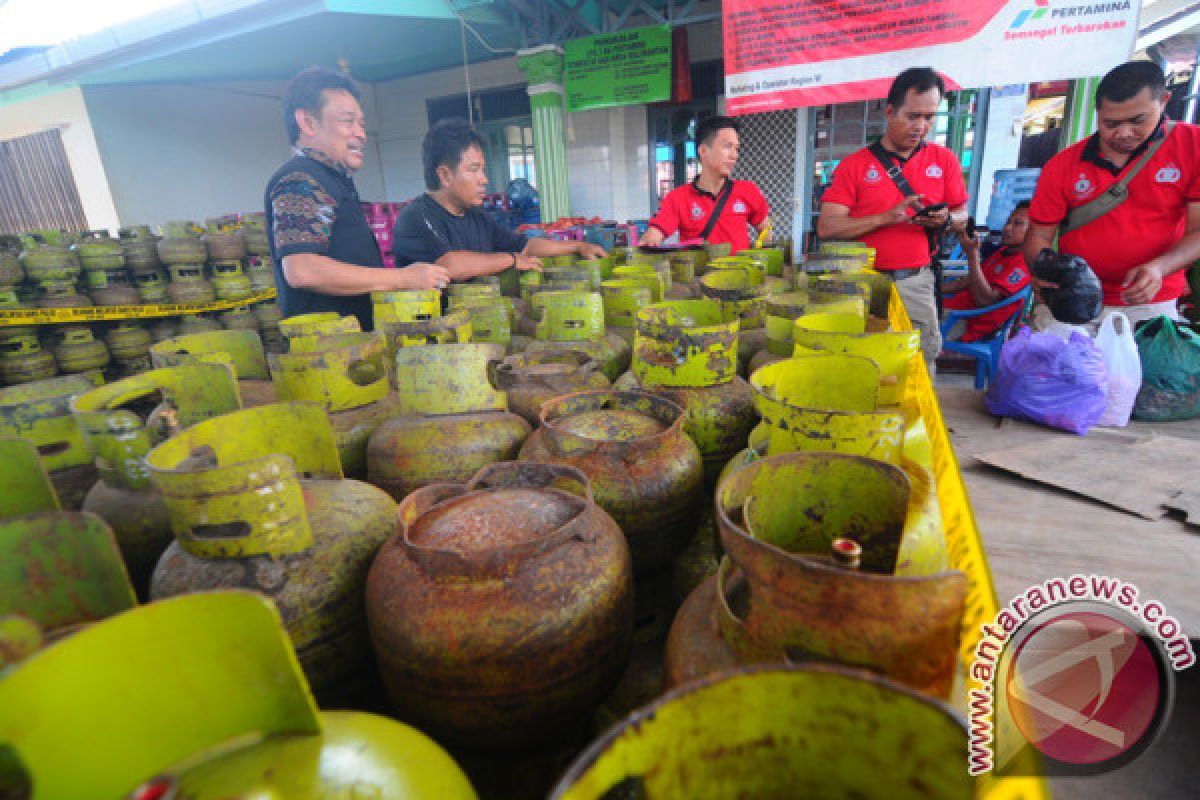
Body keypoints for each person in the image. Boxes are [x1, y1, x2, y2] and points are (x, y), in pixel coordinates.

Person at [264, 67, 447, 330]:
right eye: (347, 121)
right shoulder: (300, 179)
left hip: (351, 347)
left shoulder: (332, 179)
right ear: (307, 122)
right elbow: (302, 269)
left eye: (361, 124)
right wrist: (402, 278)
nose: (361, 134)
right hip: (327, 353)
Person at [1025, 61, 1200, 330]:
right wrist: (1043, 273)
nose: (1123, 132)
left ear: (1164, 101)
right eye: (1111, 123)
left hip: (1150, 303)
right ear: (1097, 113)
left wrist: (1160, 268)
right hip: (1071, 303)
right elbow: (1039, 236)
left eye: (1137, 120)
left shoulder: (1191, 147)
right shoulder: (1063, 165)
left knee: (1136, 372)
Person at [817, 67, 969, 371]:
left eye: (929, 117)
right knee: (858, 364)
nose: (921, 126)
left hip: (916, 282)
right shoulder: (854, 166)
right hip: (860, 285)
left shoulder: (944, 160)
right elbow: (827, 227)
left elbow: (963, 215)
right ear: (889, 111)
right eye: (912, 116)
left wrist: (946, 220)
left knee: (917, 364)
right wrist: (886, 217)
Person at [391, 118, 605, 278]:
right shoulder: (416, 217)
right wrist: (510, 260)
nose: (484, 179)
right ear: (445, 175)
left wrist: (578, 246)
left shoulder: (477, 216)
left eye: (483, 170)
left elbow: (526, 246)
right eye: (474, 170)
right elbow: (450, 265)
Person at [638, 116, 769, 254]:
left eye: (736, 148)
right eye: (727, 147)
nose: (734, 155)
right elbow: (655, 232)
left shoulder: (748, 191)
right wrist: (649, 239)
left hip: (740, 273)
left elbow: (765, 229)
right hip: (699, 274)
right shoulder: (677, 198)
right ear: (703, 151)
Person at [943, 203, 1032, 341]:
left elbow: (984, 301)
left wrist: (972, 254)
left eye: (1017, 223)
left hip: (966, 323)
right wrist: (934, 289)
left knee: (910, 319)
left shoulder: (1023, 265)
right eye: (1008, 221)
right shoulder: (1003, 252)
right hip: (956, 311)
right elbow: (969, 280)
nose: (1007, 227)